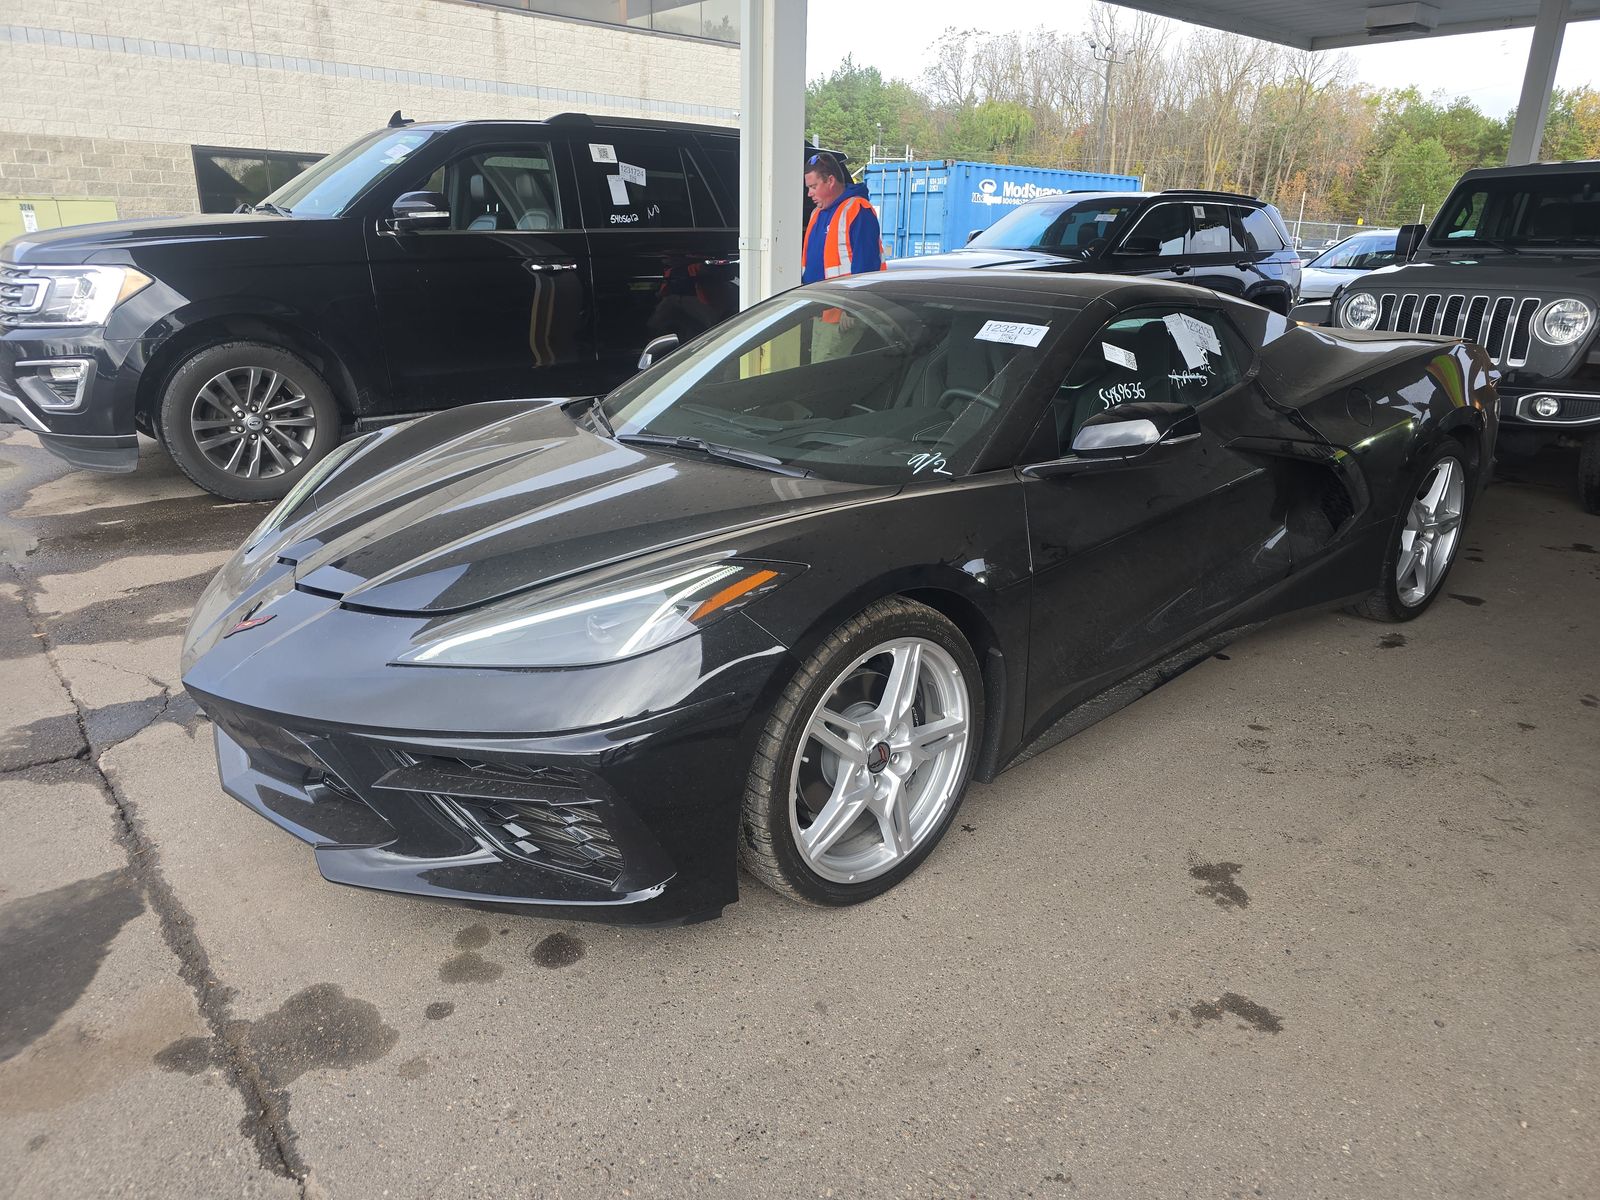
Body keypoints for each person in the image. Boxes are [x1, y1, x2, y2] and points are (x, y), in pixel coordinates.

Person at [801, 153, 886, 283]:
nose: (809, 193)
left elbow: (866, 273)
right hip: (818, 300)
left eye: (813, 187)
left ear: (830, 181)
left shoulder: (858, 210)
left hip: (843, 301)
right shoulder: (816, 213)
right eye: (808, 188)